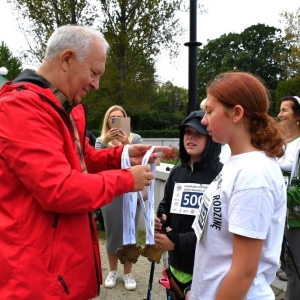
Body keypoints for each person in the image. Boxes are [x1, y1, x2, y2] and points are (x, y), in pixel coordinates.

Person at [0, 25, 167, 300]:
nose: (96, 84)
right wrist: (127, 179)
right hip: (34, 275)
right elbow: (60, 189)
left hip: (56, 265)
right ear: (66, 59)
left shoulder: (66, 107)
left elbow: (83, 159)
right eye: (94, 73)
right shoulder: (21, 108)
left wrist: (124, 155)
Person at [186, 71, 287, 300]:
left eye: (210, 111)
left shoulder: (254, 175)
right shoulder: (236, 162)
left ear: (236, 113)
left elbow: (244, 272)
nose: (203, 120)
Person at [154, 110, 223, 299]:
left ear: (210, 138)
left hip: (204, 271)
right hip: (175, 267)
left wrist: (175, 241)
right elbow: (166, 203)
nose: (191, 138)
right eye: (187, 132)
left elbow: (215, 231)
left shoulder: (221, 175)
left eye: (198, 133)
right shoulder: (177, 172)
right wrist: (160, 218)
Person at [95, 105, 146, 290]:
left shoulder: (136, 139)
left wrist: (126, 144)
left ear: (126, 120)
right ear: (107, 121)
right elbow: (95, 164)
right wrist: (105, 142)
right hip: (110, 193)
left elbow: (141, 161)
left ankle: (128, 273)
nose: (116, 121)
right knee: (113, 233)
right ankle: (113, 271)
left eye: (120, 117)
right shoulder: (101, 141)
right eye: (112, 118)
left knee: (130, 233)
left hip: (131, 192)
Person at [277, 95, 300, 299]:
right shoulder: (280, 140)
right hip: (278, 210)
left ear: (297, 116)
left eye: (285, 110)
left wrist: (281, 196)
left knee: (294, 264)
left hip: (294, 213)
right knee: (284, 256)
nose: (279, 114)